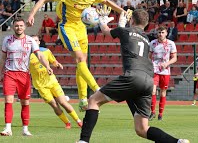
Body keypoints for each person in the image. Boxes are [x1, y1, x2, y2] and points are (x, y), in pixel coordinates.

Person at [77, 9, 189, 143]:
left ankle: (83, 141)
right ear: (146, 24)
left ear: (132, 20)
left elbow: (106, 30)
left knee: (93, 101)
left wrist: (102, 20)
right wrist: (122, 25)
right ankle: (178, 142)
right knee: (142, 129)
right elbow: (132, 39)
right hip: (148, 81)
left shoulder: (125, 31)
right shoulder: (147, 39)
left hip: (133, 76)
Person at [27, 0, 124, 111]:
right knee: (79, 59)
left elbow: (107, 2)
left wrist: (122, 11)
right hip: (67, 27)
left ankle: (83, 99)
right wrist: (31, 14)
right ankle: (97, 89)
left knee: (82, 63)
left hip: (81, 28)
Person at [0, 18, 53, 136]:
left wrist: (47, 66)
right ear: (13, 27)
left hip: (24, 75)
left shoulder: (30, 40)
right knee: (8, 100)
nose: (19, 28)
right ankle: (8, 128)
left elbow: (39, 55)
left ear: (25, 27)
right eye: (16, 26)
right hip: (10, 73)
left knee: (25, 102)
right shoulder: (7, 40)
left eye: (21, 26)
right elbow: (3, 58)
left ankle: (25, 130)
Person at [29, 35, 83, 129]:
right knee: (54, 105)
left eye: (36, 40)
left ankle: (78, 120)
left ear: (38, 42)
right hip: (40, 85)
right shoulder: (27, 55)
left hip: (52, 81)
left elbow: (53, 61)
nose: (34, 42)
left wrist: (57, 64)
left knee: (63, 102)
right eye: (32, 41)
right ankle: (67, 123)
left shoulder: (46, 51)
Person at [148, 26, 177, 121]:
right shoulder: (153, 43)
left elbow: (174, 58)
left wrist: (167, 63)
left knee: (163, 92)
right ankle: (152, 112)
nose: (161, 34)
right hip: (154, 69)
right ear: (157, 33)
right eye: (159, 32)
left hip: (165, 71)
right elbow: (149, 56)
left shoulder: (171, 44)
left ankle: (161, 113)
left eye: (162, 32)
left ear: (166, 33)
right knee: (152, 90)